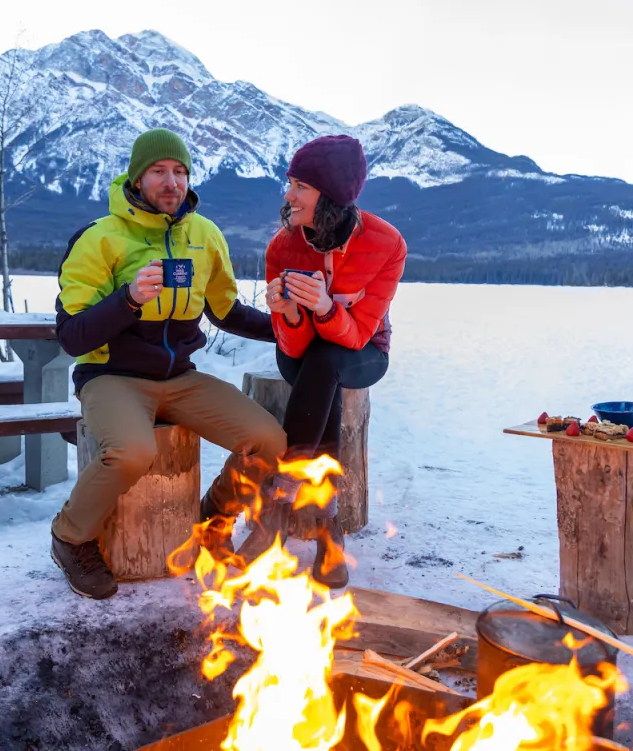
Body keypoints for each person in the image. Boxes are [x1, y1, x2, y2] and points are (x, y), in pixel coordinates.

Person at [51, 128, 286, 599]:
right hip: (112, 377)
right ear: (137, 178)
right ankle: (70, 537)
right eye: (159, 171)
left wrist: (285, 327)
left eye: (179, 172)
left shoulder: (204, 234)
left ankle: (212, 520)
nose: (171, 182)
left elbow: (225, 310)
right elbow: (73, 335)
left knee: (268, 440)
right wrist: (129, 298)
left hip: (180, 377)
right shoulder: (99, 238)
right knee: (133, 452)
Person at [238, 134, 407, 588]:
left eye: (301, 186)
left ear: (329, 195)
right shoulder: (282, 247)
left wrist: (326, 308)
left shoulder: (386, 244)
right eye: (289, 183)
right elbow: (292, 348)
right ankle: (329, 536)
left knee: (329, 361)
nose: (288, 195)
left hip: (364, 353)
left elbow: (357, 336)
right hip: (303, 355)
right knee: (318, 368)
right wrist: (290, 314)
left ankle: (278, 506)